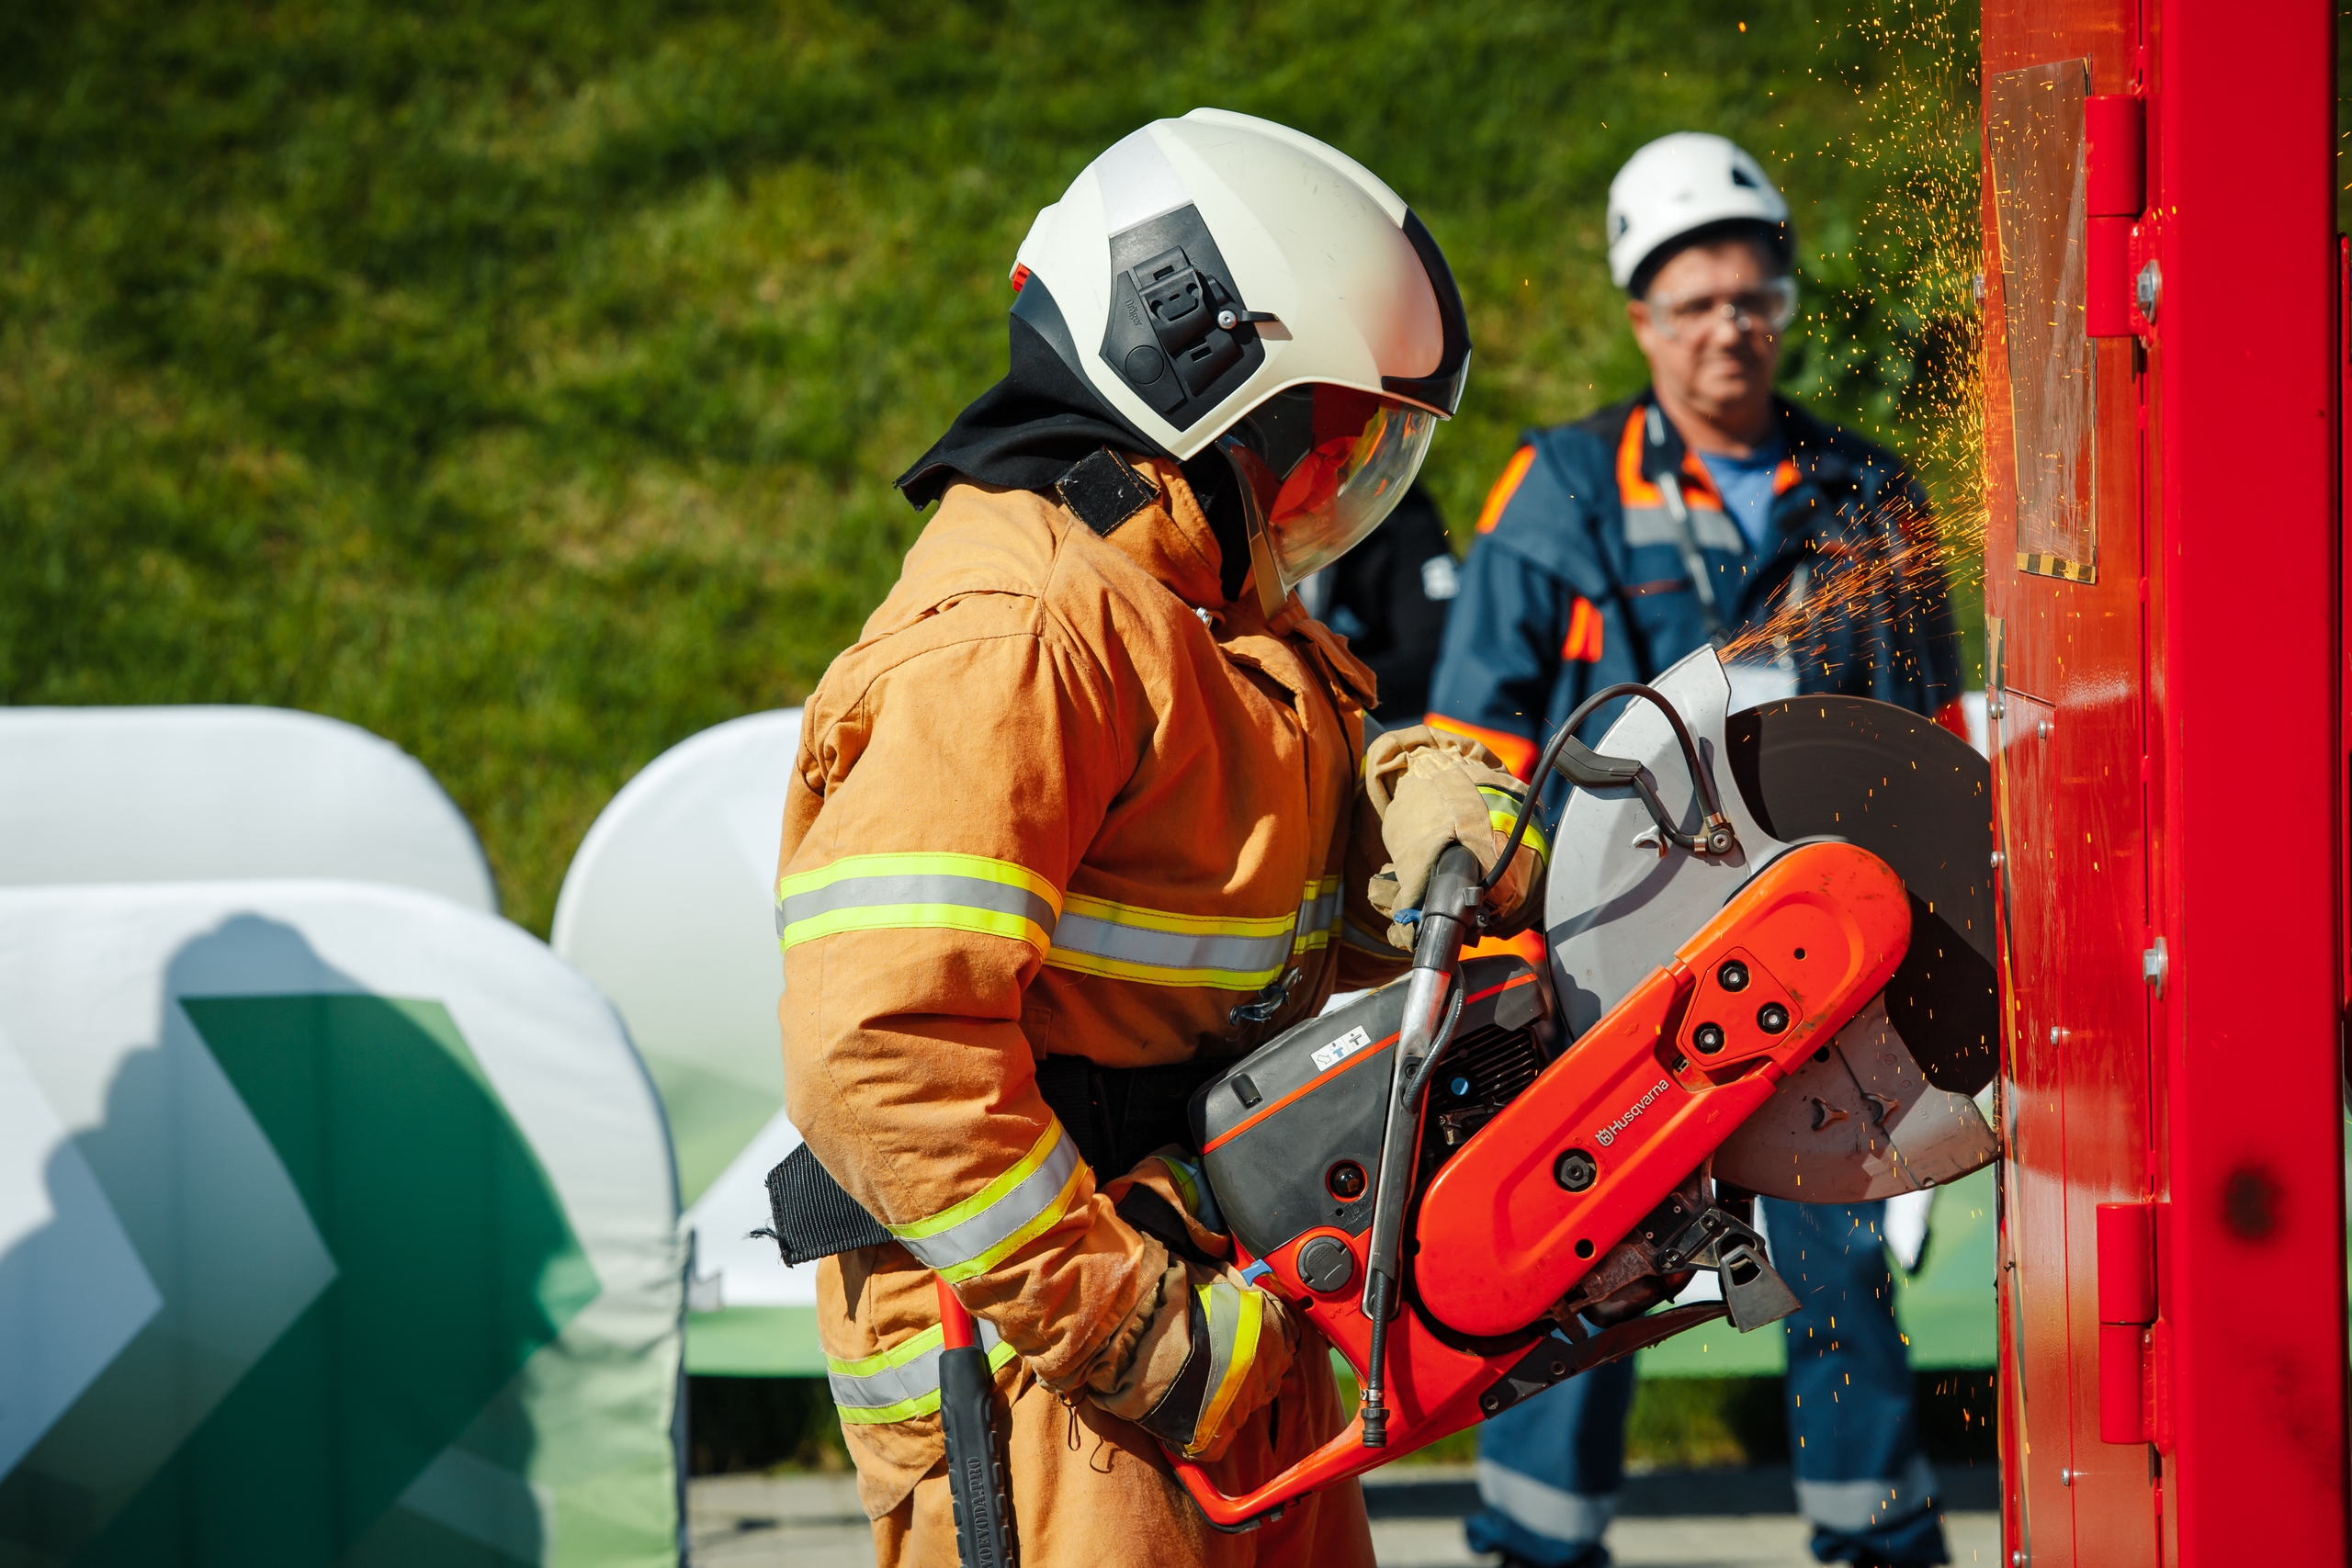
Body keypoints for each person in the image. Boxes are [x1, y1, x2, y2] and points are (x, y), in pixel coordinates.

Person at [774, 110, 1544, 1567]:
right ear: (1193, 373)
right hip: (1052, 1368)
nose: (1332, 498)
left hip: (1215, 1304)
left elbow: (1232, 895)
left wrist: (1407, 808)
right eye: (1323, 448)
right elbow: (881, 1046)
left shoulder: (1197, 614)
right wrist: (1127, 1320)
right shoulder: (1018, 635)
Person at [1427, 132, 1964, 1568]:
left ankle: (1879, 1535)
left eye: (1752, 298)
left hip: (1821, 966)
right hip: (1601, 981)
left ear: (1780, 307)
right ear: (1641, 319)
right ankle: (1537, 1542)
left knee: (1837, 1258)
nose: (1730, 327)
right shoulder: (1558, 493)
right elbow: (1471, 749)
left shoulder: (1867, 496)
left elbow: (1937, 753)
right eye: (1697, 303)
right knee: (1577, 1261)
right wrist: (1496, 959)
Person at [1298, 481, 1460, 739]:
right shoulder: (1246, 520)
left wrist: (1317, 688)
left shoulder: (1400, 509)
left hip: (1372, 724)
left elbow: (1438, 660)